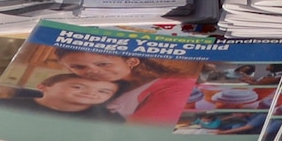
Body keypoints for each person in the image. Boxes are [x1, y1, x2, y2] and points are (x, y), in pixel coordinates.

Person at [49, 49, 194, 126]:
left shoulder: (177, 86)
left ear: (131, 62)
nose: (92, 71)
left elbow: (140, 137)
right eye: (78, 67)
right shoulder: (113, 86)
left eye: (103, 64)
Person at [0, 73, 126, 120]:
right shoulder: (3, 106)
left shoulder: (110, 119)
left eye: (104, 91)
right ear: (44, 87)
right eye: (78, 87)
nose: (91, 93)